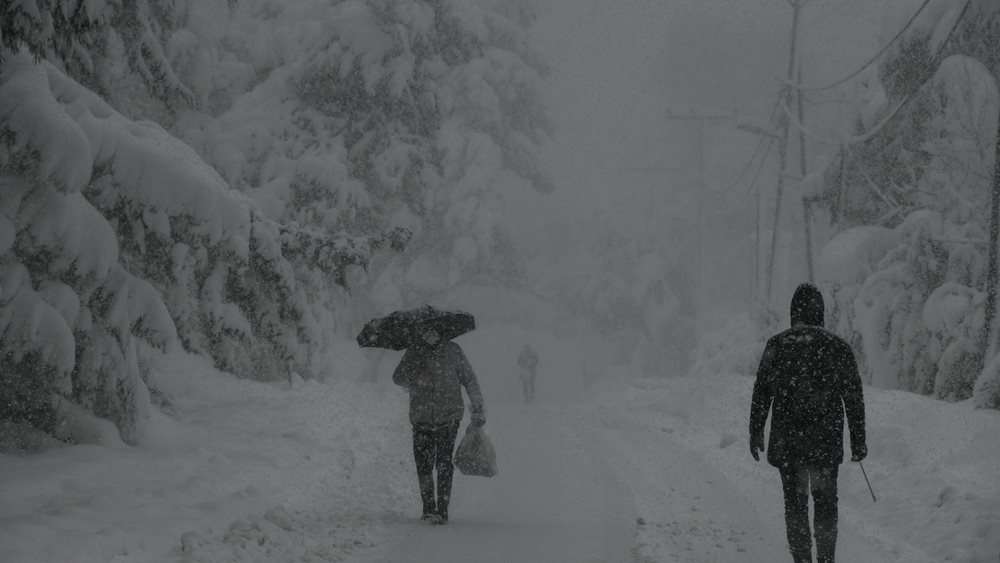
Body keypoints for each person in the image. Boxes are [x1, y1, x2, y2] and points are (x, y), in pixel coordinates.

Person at [749, 283, 867, 563]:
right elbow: (853, 396)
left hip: (788, 443)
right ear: (821, 313)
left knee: (795, 504)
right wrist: (858, 439)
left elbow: (761, 392)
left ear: (793, 313)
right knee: (826, 504)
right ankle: (826, 558)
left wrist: (756, 431)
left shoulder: (777, 345)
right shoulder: (838, 348)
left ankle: (801, 558)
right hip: (825, 443)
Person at [393, 326, 485, 525]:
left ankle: (442, 510)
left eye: (434, 331)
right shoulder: (414, 351)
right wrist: (416, 374)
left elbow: (470, 379)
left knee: (443, 464)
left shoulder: (454, 350)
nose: (430, 334)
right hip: (421, 418)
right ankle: (428, 508)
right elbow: (397, 378)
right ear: (420, 333)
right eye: (426, 331)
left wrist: (477, 407)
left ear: (442, 331)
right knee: (424, 465)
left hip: (449, 418)